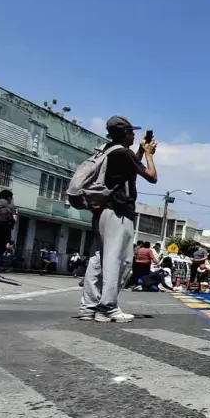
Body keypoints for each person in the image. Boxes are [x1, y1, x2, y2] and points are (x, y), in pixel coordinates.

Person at [78, 116, 158, 322]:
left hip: (102, 211)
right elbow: (151, 176)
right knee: (118, 260)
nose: (134, 136)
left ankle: (88, 307)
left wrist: (140, 151)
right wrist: (149, 154)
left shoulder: (108, 150)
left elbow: (130, 169)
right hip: (118, 212)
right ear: (125, 134)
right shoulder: (123, 153)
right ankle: (107, 307)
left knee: (97, 260)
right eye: (131, 132)